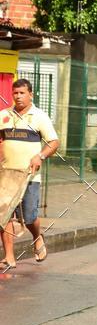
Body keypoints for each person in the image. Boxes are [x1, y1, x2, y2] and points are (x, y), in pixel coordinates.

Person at [0, 79, 59, 269]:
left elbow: (53, 142)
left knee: (30, 215)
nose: (18, 96)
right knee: (4, 215)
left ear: (30, 94)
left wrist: (40, 156)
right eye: (15, 93)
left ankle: (36, 237)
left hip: (30, 177)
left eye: (22, 93)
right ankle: (9, 256)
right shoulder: (4, 115)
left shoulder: (39, 116)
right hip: (7, 176)